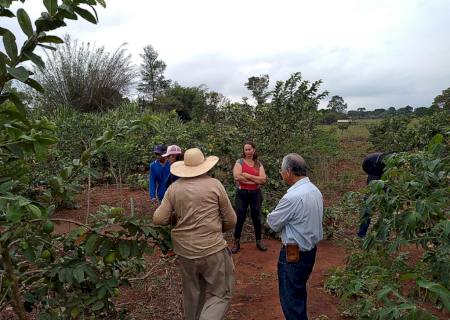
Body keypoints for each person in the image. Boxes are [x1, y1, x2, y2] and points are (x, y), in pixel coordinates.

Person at [153, 148, 237, 320]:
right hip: (212, 249)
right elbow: (231, 219)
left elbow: (159, 219)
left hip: (185, 252)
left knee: (192, 296)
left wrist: (175, 218)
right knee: (220, 294)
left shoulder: (174, 188)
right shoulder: (215, 185)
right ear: (204, 165)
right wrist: (217, 230)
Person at [267, 153, 323, 320]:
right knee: (298, 293)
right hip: (309, 252)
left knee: (291, 300)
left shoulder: (292, 196)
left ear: (289, 172)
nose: (281, 173)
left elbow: (273, 223)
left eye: (282, 170)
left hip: (294, 255)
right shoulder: (314, 190)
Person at [231, 141, 267, 253]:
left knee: (256, 217)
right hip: (242, 194)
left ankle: (259, 241)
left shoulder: (258, 164)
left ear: (254, 150)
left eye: (250, 149)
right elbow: (237, 177)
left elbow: (263, 179)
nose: (248, 151)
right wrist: (255, 181)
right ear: (244, 151)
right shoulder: (239, 162)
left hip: (256, 194)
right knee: (240, 217)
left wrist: (247, 176)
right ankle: (236, 242)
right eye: (246, 149)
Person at [357, 152, 388, 237]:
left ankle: (382, 234)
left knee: (385, 209)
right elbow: (373, 186)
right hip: (374, 170)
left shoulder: (390, 163)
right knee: (368, 206)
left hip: (379, 171)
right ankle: (362, 234)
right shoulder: (375, 166)